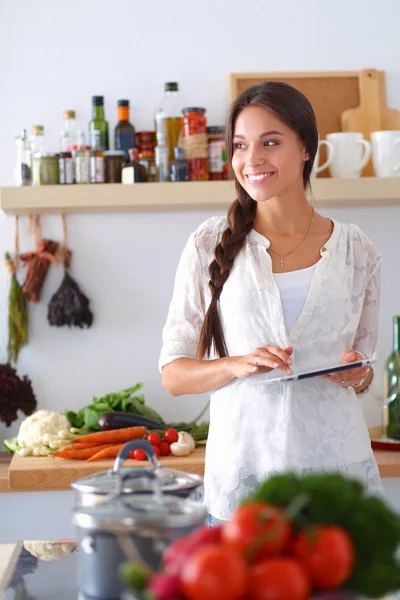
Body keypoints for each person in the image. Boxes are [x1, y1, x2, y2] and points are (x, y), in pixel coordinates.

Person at [159, 81, 383, 525]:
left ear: (306, 149)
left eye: (271, 142)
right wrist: (236, 364)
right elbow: (174, 374)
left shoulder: (357, 250)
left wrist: (358, 373)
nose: (252, 160)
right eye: (240, 146)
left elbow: (363, 370)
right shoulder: (209, 244)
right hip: (243, 482)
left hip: (336, 480)